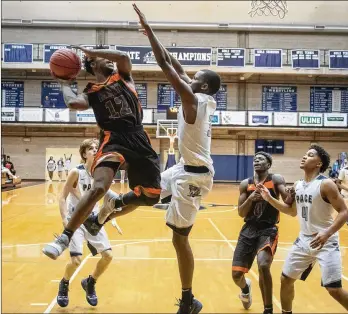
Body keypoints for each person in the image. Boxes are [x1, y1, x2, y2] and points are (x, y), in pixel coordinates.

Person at [132, 5, 220, 313]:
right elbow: (173, 62)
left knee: (179, 240)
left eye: (195, 77)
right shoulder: (201, 97)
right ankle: (101, 216)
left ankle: (188, 300)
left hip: (194, 177)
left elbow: (164, 66)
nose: (189, 78)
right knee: (148, 189)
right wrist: (150, 31)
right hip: (184, 168)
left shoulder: (193, 99)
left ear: (203, 85)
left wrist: (151, 35)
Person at [43, 43, 161, 260]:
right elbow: (73, 103)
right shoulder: (91, 92)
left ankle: (110, 209)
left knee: (151, 196)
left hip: (138, 137)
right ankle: (65, 237)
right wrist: (64, 82)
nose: (109, 58)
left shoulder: (123, 76)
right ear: (91, 64)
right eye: (101, 56)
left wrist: (93, 52)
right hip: (112, 139)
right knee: (99, 188)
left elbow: (124, 55)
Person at [256, 145, 348, 314]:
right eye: (305, 154)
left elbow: (343, 212)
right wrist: (269, 198)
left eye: (310, 155)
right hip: (304, 240)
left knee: (334, 290)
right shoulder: (298, 185)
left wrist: (327, 233)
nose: (305, 157)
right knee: (285, 279)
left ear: (319, 163)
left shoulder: (326, 184)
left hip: (326, 242)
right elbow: (291, 211)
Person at [57, 139, 113, 308]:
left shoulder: (101, 173)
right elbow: (62, 197)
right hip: (77, 220)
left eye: (97, 148)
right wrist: (65, 219)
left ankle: (90, 282)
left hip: (93, 220)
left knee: (108, 256)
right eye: (91, 148)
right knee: (75, 261)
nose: (95, 150)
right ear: (84, 154)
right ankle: (64, 284)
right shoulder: (76, 172)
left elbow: (109, 195)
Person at [232, 152, 288, 314]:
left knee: (263, 265)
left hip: (268, 229)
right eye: (255, 159)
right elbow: (241, 213)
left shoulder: (275, 179)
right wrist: (251, 199)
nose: (256, 160)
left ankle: (268, 309)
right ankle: (245, 288)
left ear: (268, 165)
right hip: (248, 230)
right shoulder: (245, 184)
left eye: (261, 159)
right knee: (236, 275)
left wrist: (291, 194)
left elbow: (287, 200)